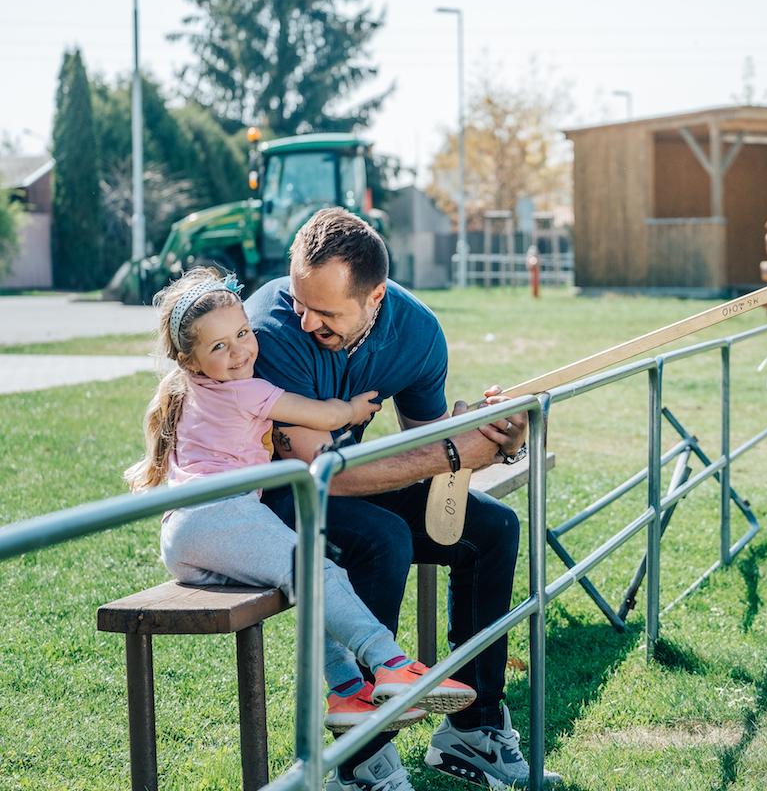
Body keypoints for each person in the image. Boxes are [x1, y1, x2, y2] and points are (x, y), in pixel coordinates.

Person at [244, 207, 562, 791]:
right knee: (382, 539)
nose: (308, 318)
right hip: (267, 501)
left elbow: (428, 446)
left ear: (375, 298)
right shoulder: (271, 330)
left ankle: (475, 728)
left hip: (342, 485)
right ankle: (361, 760)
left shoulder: (416, 332)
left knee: (492, 529)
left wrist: (493, 437)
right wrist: (452, 453)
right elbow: (321, 476)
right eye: (300, 299)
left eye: (328, 312)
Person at [123, 266, 477, 743]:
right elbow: (321, 415)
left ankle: (349, 688)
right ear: (189, 360)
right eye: (219, 347)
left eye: (243, 334)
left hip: (193, 532)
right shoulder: (247, 391)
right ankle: (390, 662)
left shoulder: (191, 391)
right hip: (220, 516)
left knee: (310, 581)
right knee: (320, 572)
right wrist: (353, 411)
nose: (240, 352)